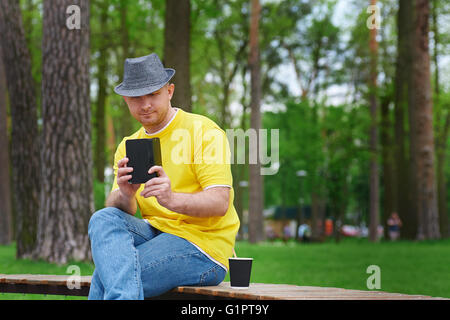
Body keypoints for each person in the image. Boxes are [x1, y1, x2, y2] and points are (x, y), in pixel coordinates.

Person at [87, 53, 240, 300]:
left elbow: (220, 202)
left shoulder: (203, 131)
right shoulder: (129, 145)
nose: (145, 104)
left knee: (108, 278)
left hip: (203, 246)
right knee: (104, 217)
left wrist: (171, 199)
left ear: (169, 91)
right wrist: (126, 195)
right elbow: (118, 211)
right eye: (137, 98)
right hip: (154, 234)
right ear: (126, 100)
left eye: (153, 94)